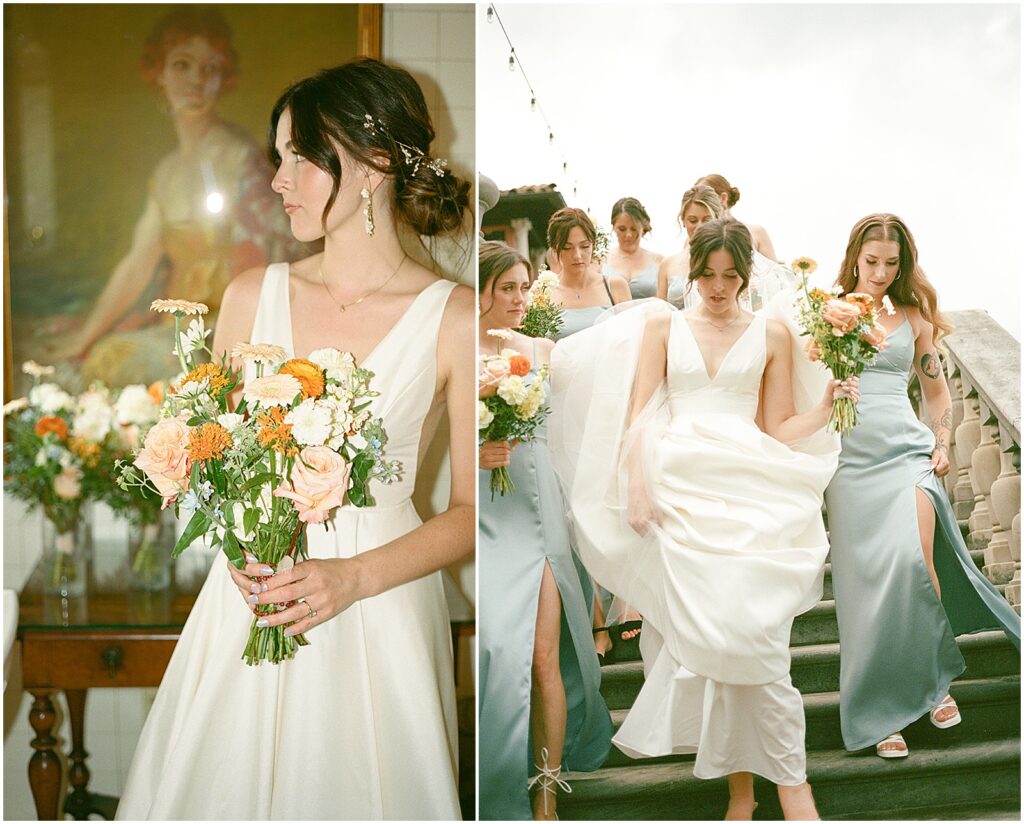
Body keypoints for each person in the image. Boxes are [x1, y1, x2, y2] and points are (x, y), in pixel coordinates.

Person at [116, 58, 475, 820]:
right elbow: (213, 460)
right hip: (252, 602)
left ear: (374, 165)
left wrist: (352, 578)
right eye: (279, 156)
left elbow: (472, 514)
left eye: (298, 157)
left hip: (381, 613)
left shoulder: (456, 317)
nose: (277, 179)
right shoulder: (250, 296)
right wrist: (238, 547)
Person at [548, 217, 859, 820]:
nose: (718, 288)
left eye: (730, 276)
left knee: (756, 638)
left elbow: (777, 428)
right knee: (717, 641)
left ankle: (793, 785)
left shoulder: (770, 334)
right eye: (708, 275)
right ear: (693, 273)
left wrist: (823, 408)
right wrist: (637, 488)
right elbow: (639, 414)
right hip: (679, 487)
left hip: (751, 488)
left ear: (746, 274)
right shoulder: (663, 326)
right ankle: (741, 791)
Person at [823, 213, 1021, 758]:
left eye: (892, 263)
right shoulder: (825, 312)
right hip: (849, 461)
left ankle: (932, 685)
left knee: (918, 564)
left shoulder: (914, 317)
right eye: (872, 263)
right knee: (866, 589)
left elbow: (937, 395)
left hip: (907, 452)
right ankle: (881, 708)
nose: (882, 273)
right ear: (855, 258)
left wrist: (940, 443)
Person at [52, 6, 302, 388]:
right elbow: (138, 264)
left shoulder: (240, 159)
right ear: (159, 73)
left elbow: (262, 269)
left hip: (224, 325)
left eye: (210, 69)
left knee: (110, 363)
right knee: (66, 345)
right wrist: (83, 335)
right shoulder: (166, 172)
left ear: (225, 79)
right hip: (174, 320)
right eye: (182, 65)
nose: (196, 81)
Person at [477, 241, 611, 820]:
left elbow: (583, 423)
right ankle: (491, 778)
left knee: (541, 656)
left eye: (525, 287)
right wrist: (475, 445)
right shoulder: (458, 351)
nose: (519, 298)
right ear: (481, 290)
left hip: (539, 510)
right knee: (494, 652)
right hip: (483, 517)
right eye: (507, 287)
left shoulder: (542, 350)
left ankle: (547, 791)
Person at [547, 207, 631, 342]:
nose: (577, 255)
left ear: (593, 245)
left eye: (585, 246)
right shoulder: (543, 294)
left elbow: (630, 340)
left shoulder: (615, 287)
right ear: (555, 249)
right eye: (567, 248)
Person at [657, 183, 724, 307]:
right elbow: (660, 311)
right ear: (683, 220)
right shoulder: (667, 264)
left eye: (706, 220)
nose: (699, 227)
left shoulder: (729, 259)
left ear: (717, 219)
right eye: (693, 220)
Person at [601, 197, 664, 300]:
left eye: (634, 228)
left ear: (643, 227)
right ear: (613, 227)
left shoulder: (660, 262)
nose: (629, 235)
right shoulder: (602, 261)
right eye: (622, 229)